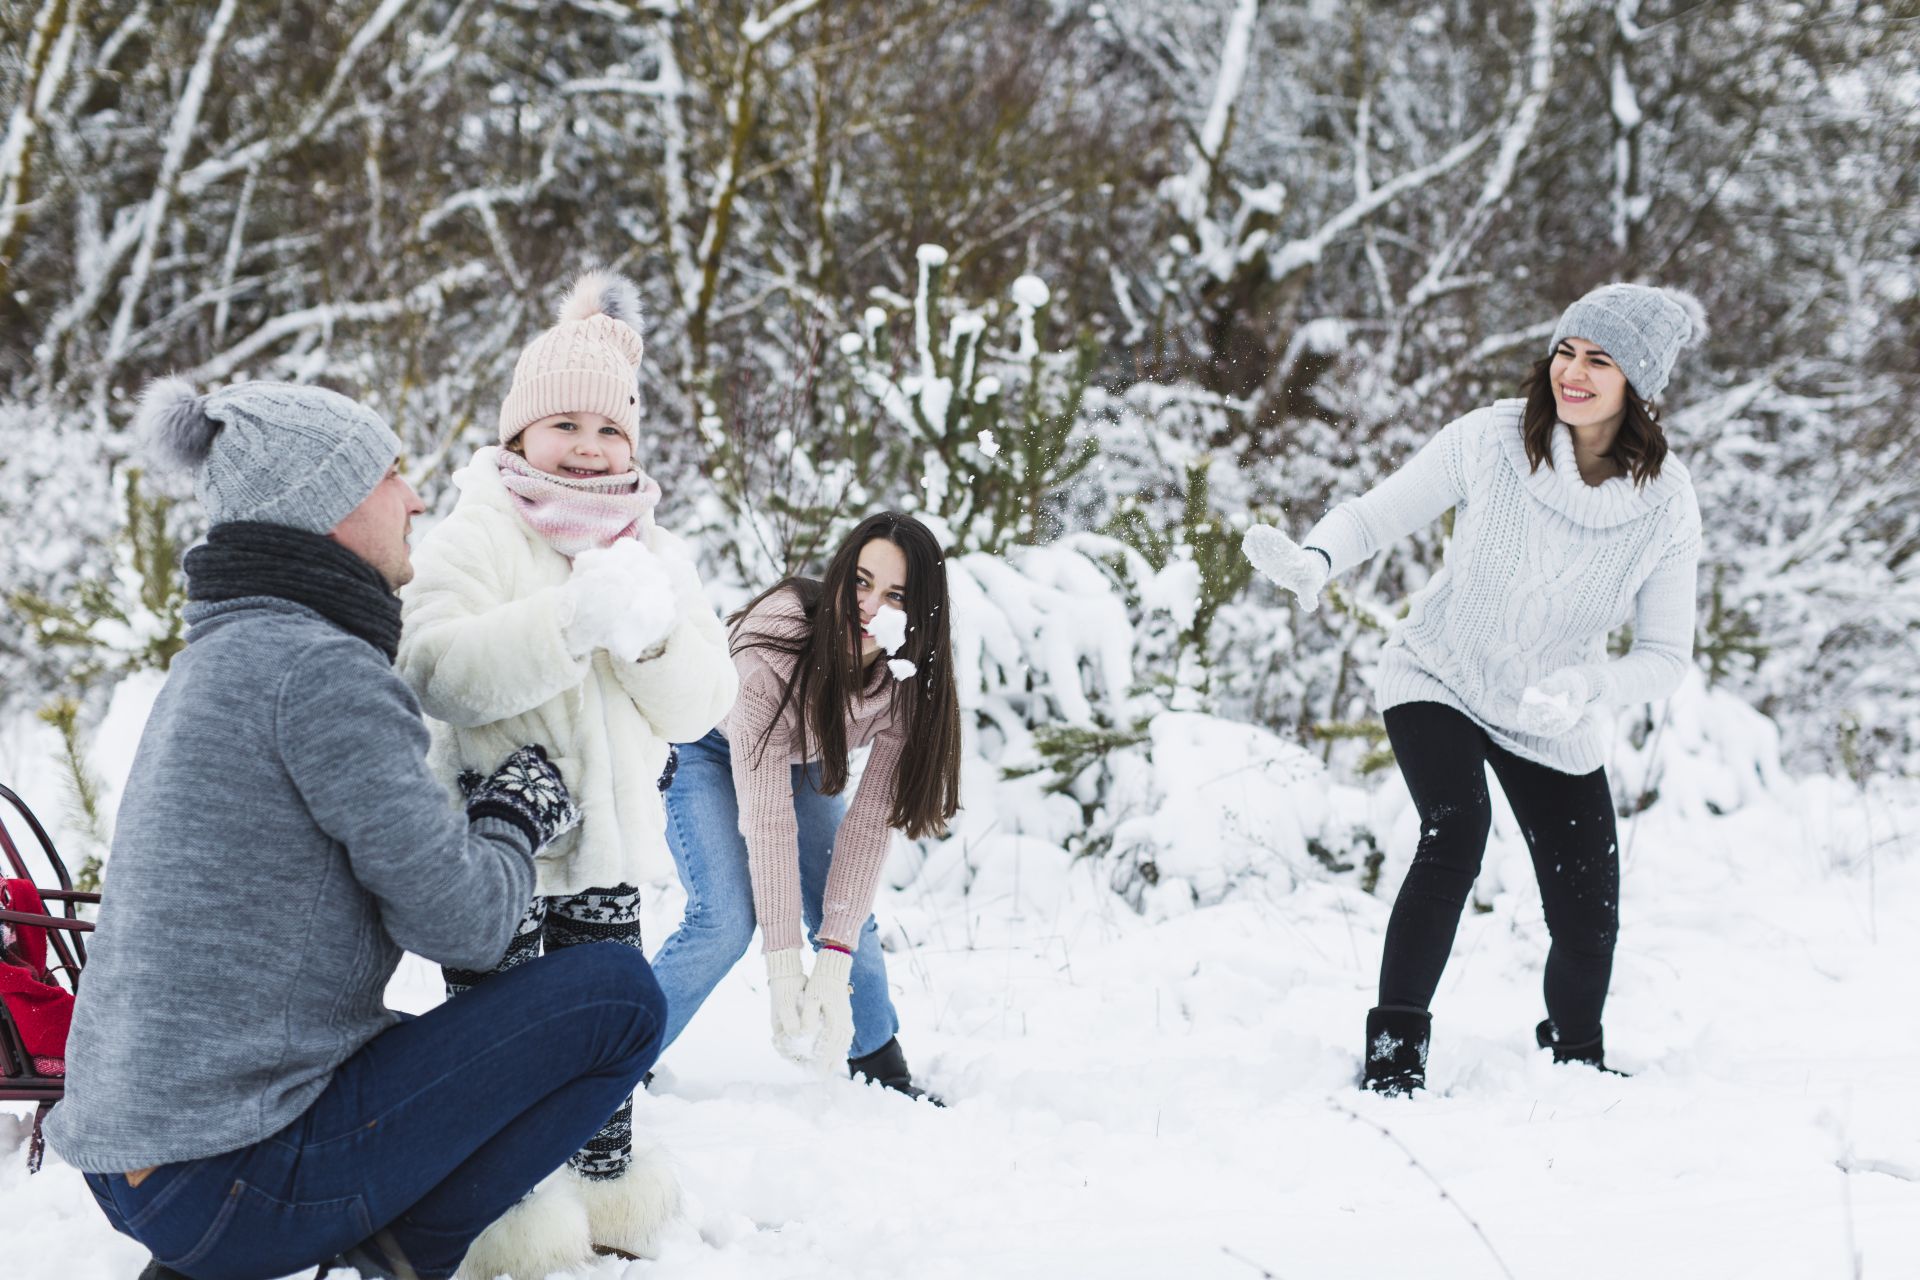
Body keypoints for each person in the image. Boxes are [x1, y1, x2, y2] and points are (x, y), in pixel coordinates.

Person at [46, 378, 660, 1280]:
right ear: (323, 504)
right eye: (392, 475)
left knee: (407, 1037)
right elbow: (466, 924)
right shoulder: (318, 669)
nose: (415, 497)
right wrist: (509, 815)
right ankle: (407, 1252)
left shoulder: (223, 657)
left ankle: (219, 1250)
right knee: (619, 997)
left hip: (139, 1160)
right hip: (229, 1175)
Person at [1243, 282, 1706, 1095]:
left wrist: (1589, 685)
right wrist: (1314, 560)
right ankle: (1395, 1054)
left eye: (1600, 360)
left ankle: (1575, 1057)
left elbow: (1666, 655)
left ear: (1638, 385)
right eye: (1566, 350)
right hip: (1440, 674)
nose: (1573, 371)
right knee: (1456, 831)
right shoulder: (1494, 439)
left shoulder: (1664, 508)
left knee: (1590, 918)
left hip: (1551, 714)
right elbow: (1377, 513)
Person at [396, 271, 737, 1273]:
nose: (589, 446)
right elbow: (434, 667)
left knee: (601, 1044)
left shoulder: (655, 549)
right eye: (564, 425)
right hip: (500, 852)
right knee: (500, 1042)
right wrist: (568, 621)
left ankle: (605, 1188)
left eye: (610, 428)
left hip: (610, 852)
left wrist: (650, 635)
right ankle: (504, 1207)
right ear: (517, 434)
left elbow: (704, 700)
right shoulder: (476, 530)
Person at [650, 511, 961, 1098]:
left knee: (842, 906)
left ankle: (880, 1064)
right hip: (703, 746)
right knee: (723, 919)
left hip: (804, 756)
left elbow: (869, 828)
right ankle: (615, 1058)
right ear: (841, 575)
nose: (869, 607)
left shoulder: (904, 679)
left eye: (896, 595)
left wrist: (835, 954)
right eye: (862, 582)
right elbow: (768, 824)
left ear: (921, 613)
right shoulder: (772, 646)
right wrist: (784, 967)